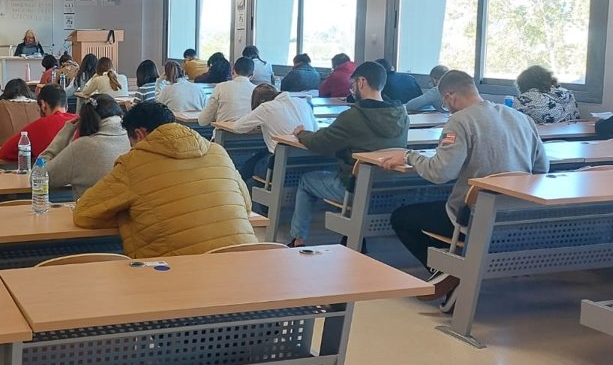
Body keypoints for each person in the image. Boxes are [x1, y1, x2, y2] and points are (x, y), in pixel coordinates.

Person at [74, 100, 257, 365]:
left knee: (175, 303)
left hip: (183, 297)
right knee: (211, 313)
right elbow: (245, 204)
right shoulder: (217, 152)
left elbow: (84, 213)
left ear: (140, 134)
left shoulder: (135, 162)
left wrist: (129, 210)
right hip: (249, 289)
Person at [383, 70, 548, 311]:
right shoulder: (520, 118)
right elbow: (542, 169)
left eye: (444, 102)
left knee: (401, 217)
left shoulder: (459, 121)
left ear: (450, 96)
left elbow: (440, 173)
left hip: (474, 216)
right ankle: (452, 268)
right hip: (514, 214)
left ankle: (447, 272)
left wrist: (409, 156)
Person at [288, 61, 409, 247]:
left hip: (355, 190)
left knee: (306, 180)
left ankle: (298, 239)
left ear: (361, 82)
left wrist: (302, 133)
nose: (351, 89)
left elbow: (319, 143)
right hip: (390, 189)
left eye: (352, 84)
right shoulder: (402, 115)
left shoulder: (353, 116)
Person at [220, 83, 317, 181]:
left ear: (261, 101)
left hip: (280, 167)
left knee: (249, 166)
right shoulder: (302, 103)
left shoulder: (266, 108)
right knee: (261, 154)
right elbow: (315, 129)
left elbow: (237, 127)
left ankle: (237, 185)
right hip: (309, 165)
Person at [40, 95, 130, 199]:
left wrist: (65, 133)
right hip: (131, 208)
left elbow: (38, 178)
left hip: (91, 208)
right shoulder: (135, 140)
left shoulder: (81, 147)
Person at [0, 84, 76, 162]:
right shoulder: (79, 120)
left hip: (51, 170)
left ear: (43, 105)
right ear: (66, 106)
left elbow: (4, 152)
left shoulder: (41, 126)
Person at [199, 56, 257, 126]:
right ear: (252, 75)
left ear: (233, 71)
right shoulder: (257, 90)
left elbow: (203, 121)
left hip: (224, 132)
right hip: (251, 132)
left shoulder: (221, 87)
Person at [513, 65, 581, 125]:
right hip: (574, 134)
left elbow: (509, 118)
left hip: (541, 135)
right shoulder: (567, 94)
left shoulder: (523, 101)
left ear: (522, 84)